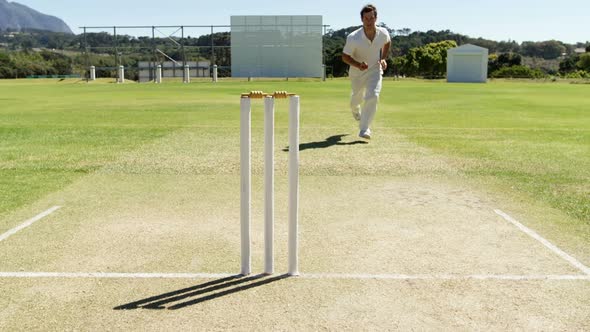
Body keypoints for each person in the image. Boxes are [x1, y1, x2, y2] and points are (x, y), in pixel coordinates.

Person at [342, 4, 391, 140]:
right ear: (362, 19)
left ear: (376, 18)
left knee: (373, 96)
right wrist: (358, 65)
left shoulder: (383, 33)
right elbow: (345, 57)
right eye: (366, 18)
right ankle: (354, 108)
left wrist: (383, 58)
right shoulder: (353, 37)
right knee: (355, 99)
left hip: (375, 69)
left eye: (371, 18)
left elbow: (387, 42)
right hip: (357, 73)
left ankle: (364, 129)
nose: (369, 21)